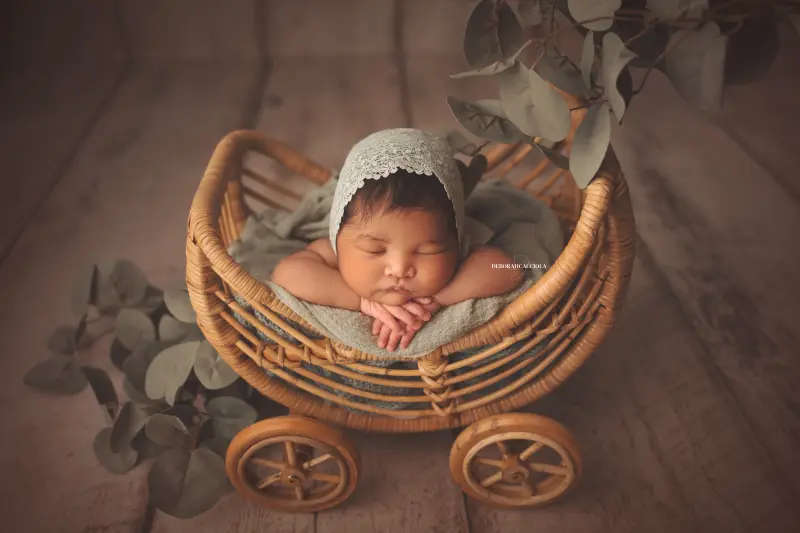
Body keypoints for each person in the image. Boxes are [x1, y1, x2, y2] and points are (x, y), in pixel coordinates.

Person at [270, 128, 523, 352]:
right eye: (375, 250)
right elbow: (288, 274)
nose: (400, 269)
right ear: (338, 236)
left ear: (454, 240)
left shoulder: (460, 253)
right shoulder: (333, 253)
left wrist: (434, 301)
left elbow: (509, 270)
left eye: (428, 251)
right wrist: (360, 301)